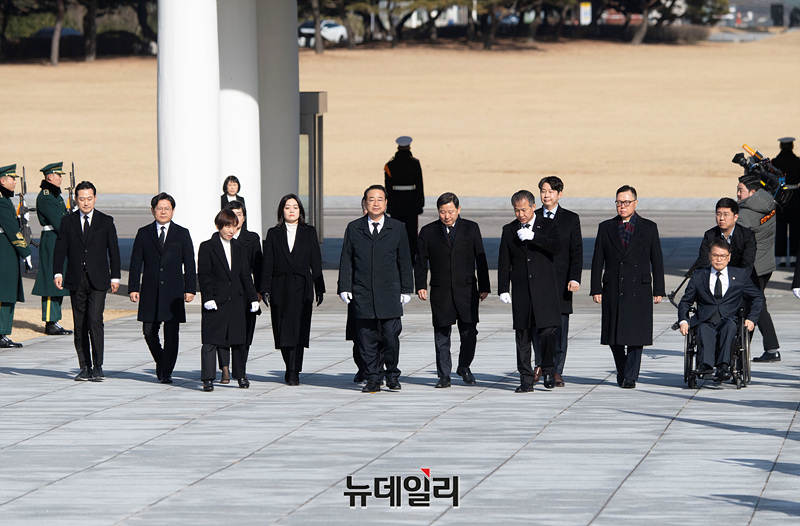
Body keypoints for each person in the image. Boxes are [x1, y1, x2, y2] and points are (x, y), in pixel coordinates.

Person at [338, 184, 413, 393]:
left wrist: (406, 288)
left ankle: (392, 375)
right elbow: (347, 259)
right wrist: (344, 286)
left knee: (391, 337)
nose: (376, 203)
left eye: (380, 199)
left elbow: (404, 260)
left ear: (386, 203)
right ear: (365, 203)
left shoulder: (397, 228)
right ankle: (373, 377)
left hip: (389, 293)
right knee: (366, 339)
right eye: (371, 199)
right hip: (363, 293)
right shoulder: (354, 228)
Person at [590, 185, 665, 389]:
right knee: (612, 336)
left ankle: (630, 376)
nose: (622, 206)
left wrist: (659, 289)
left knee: (636, 335)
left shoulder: (649, 227)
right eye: (619, 202)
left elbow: (657, 260)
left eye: (626, 202)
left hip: (639, 287)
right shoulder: (606, 227)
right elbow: (597, 260)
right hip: (613, 287)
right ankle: (622, 368)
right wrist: (596, 288)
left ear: (635, 203)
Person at [415, 192, 490, 388]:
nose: (446, 216)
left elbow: (480, 258)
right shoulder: (428, 232)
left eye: (450, 211)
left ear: (458, 210)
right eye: (442, 212)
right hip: (441, 291)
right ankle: (444, 375)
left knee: (469, 334)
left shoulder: (471, 228)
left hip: (467, 290)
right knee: (442, 335)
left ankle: (464, 366)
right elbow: (421, 261)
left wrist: (484, 286)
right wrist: (420, 285)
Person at [53, 181, 121, 381]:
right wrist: (58, 273)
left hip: (99, 280)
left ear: (95, 199)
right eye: (82, 199)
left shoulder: (105, 221)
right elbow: (60, 249)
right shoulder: (68, 221)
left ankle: (98, 366)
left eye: (89, 199)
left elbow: (114, 251)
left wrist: (115, 277)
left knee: (95, 320)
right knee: (80, 323)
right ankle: (84, 366)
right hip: (76, 279)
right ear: (76, 200)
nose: (86, 203)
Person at [128, 193, 196, 384]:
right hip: (150, 290)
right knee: (148, 331)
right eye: (159, 208)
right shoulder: (144, 233)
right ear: (153, 210)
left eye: (167, 208)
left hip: (173, 292)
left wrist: (190, 288)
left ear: (173, 211)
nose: (163, 212)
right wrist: (133, 287)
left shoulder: (182, 233)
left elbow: (189, 263)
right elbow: (135, 262)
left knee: (171, 334)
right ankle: (162, 359)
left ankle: (166, 372)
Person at [498, 189, 562, 393]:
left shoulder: (549, 225)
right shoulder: (509, 230)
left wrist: (534, 236)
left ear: (534, 207)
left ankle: (549, 370)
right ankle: (526, 378)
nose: (521, 214)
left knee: (548, 333)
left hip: (544, 290)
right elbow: (504, 261)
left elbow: (556, 247)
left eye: (524, 210)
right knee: (523, 336)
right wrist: (503, 288)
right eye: (517, 210)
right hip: (522, 291)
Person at [260, 194, 324, 386]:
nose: (291, 211)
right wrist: (265, 288)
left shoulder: (309, 232)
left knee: (299, 330)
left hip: (302, 286)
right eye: (287, 207)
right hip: (280, 286)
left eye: (295, 207)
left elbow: (316, 261)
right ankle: (289, 365)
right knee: (282, 330)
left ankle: (294, 370)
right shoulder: (274, 233)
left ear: (300, 211)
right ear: (282, 211)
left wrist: (319, 287)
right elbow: (268, 262)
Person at [679, 240, 764, 382]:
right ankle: (705, 365)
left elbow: (757, 297)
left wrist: (752, 319)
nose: (719, 259)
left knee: (729, 327)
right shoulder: (698, 275)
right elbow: (685, 301)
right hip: (705, 319)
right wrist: (683, 320)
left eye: (723, 256)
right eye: (715, 255)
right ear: (709, 256)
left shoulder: (740, 275)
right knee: (703, 328)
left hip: (729, 318)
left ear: (729, 257)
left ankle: (724, 366)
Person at [197, 209, 259, 391]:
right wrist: (208, 297)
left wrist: (252, 297)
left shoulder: (239, 247)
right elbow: (204, 275)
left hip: (237, 301)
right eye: (227, 226)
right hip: (216, 301)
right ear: (219, 226)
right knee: (211, 340)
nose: (231, 231)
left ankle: (241, 375)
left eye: (234, 226)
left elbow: (245, 275)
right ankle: (208, 378)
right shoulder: (207, 247)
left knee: (239, 340)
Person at [532, 176, 582, 387]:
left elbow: (576, 251)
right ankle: (541, 365)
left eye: (551, 191)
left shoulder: (570, 219)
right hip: (538, 282)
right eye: (543, 191)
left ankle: (557, 371)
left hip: (561, 282)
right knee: (538, 327)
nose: (546, 195)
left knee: (560, 328)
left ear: (559, 194)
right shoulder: (532, 216)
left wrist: (574, 277)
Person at [736, 175, 781, 363]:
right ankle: (768, 348)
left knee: (755, 306)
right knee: (757, 303)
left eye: (741, 190)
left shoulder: (745, 214)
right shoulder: (769, 203)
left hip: (753, 267)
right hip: (766, 264)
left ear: (752, 192)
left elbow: (737, 243)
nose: (737, 194)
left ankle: (747, 350)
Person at [223, 200, 262, 384]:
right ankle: (224, 367)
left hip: (246, 293)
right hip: (225, 294)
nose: (236, 218)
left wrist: (259, 291)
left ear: (244, 217)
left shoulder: (251, 239)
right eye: (232, 214)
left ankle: (241, 371)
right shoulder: (218, 239)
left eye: (239, 214)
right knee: (223, 332)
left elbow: (258, 267)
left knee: (244, 335)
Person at [31, 162, 72, 336]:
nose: (61, 178)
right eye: (58, 175)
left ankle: (54, 319)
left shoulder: (55, 195)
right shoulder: (47, 196)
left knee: (59, 278)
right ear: (49, 177)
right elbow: (59, 222)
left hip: (58, 239)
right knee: (51, 280)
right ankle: (50, 321)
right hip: (52, 240)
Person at [0, 164, 33, 348]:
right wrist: (26, 252)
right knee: (4, 292)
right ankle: (0, 333)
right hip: (4, 251)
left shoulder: (4, 200)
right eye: (12, 179)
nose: (14, 182)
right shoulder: (2, 201)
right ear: (2, 181)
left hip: (6, 250)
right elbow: (12, 230)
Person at [691, 197, 756, 277]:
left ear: (735, 217)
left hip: (739, 277)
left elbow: (747, 263)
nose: (721, 218)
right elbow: (704, 262)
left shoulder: (747, 235)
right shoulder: (710, 235)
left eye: (726, 215)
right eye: (718, 214)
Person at [384, 136, 424, 264]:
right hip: (411, 201)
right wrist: (420, 200)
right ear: (409, 147)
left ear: (398, 147)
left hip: (396, 201)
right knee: (411, 231)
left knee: (396, 230)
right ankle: (411, 256)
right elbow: (419, 184)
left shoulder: (390, 165)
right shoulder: (414, 163)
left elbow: (388, 187)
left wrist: (388, 202)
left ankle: (397, 256)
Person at [771, 137, 800, 267]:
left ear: (780, 147)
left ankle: (781, 258)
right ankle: (794, 257)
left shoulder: (775, 162)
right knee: (795, 227)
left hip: (781, 196)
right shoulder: (797, 161)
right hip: (795, 195)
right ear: (792, 146)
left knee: (781, 227)